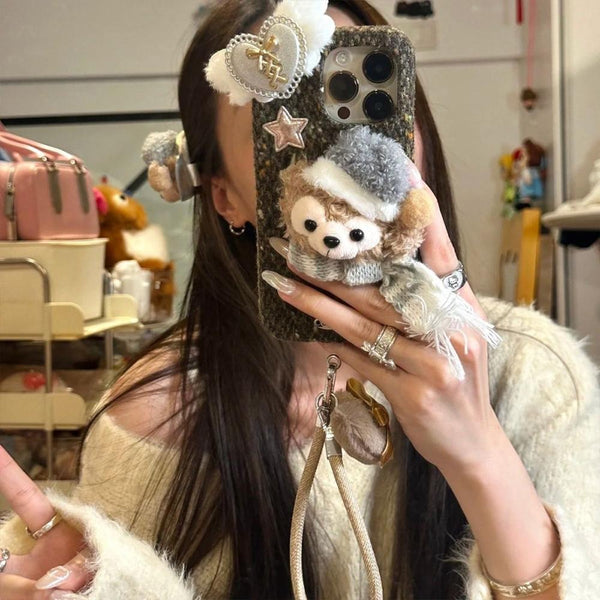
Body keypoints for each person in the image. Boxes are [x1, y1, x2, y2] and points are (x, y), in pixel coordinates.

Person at [1, 1, 599, 598]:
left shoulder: (534, 373)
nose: (341, 163)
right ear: (224, 196)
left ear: (416, 138)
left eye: (372, 114)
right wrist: (111, 585)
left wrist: (481, 457)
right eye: (290, 121)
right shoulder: (156, 415)